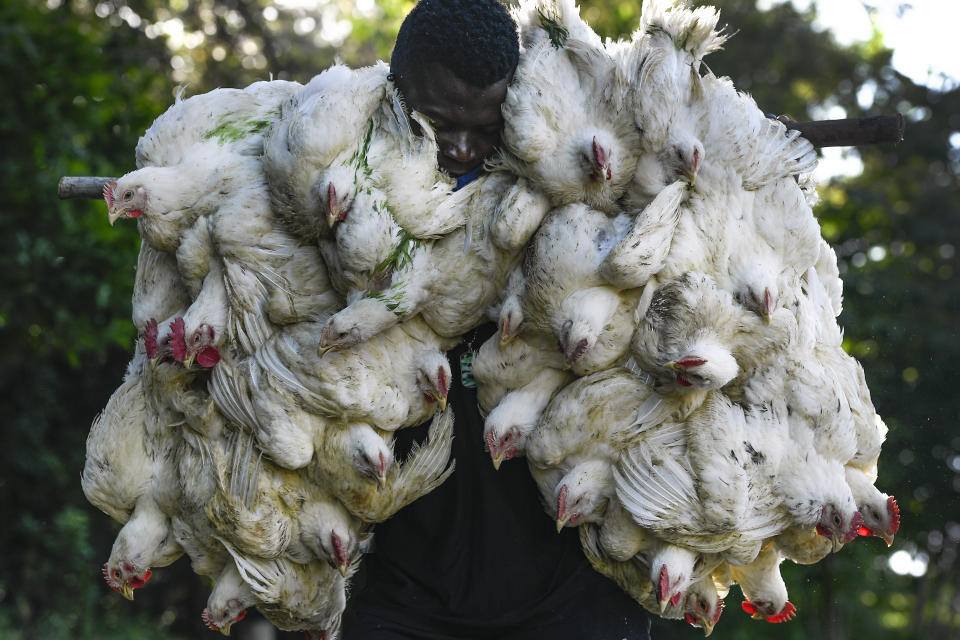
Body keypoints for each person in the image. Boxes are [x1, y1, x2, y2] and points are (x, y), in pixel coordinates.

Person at [340, 1, 653, 639]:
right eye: (438, 123)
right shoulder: (350, 208)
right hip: (408, 601)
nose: (460, 147)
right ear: (396, 96)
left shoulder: (586, 205)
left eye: (484, 129)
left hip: (573, 601)